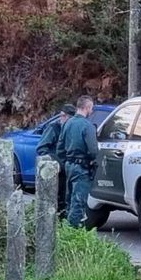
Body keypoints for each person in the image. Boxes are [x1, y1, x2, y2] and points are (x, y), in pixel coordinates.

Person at [59, 94, 99, 227]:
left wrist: (66, 162)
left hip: (69, 165)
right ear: (87, 107)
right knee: (79, 202)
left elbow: (60, 148)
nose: (91, 111)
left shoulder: (67, 123)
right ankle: (72, 232)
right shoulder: (87, 126)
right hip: (82, 167)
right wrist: (93, 161)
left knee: (69, 200)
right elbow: (93, 150)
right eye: (91, 108)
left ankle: (65, 229)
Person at [34, 101, 75, 213]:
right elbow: (41, 149)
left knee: (66, 198)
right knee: (56, 198)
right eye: (62, 116)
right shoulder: (54, 128)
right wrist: (56, 161)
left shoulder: (71, 129)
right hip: (55, 169)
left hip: (67, 168)